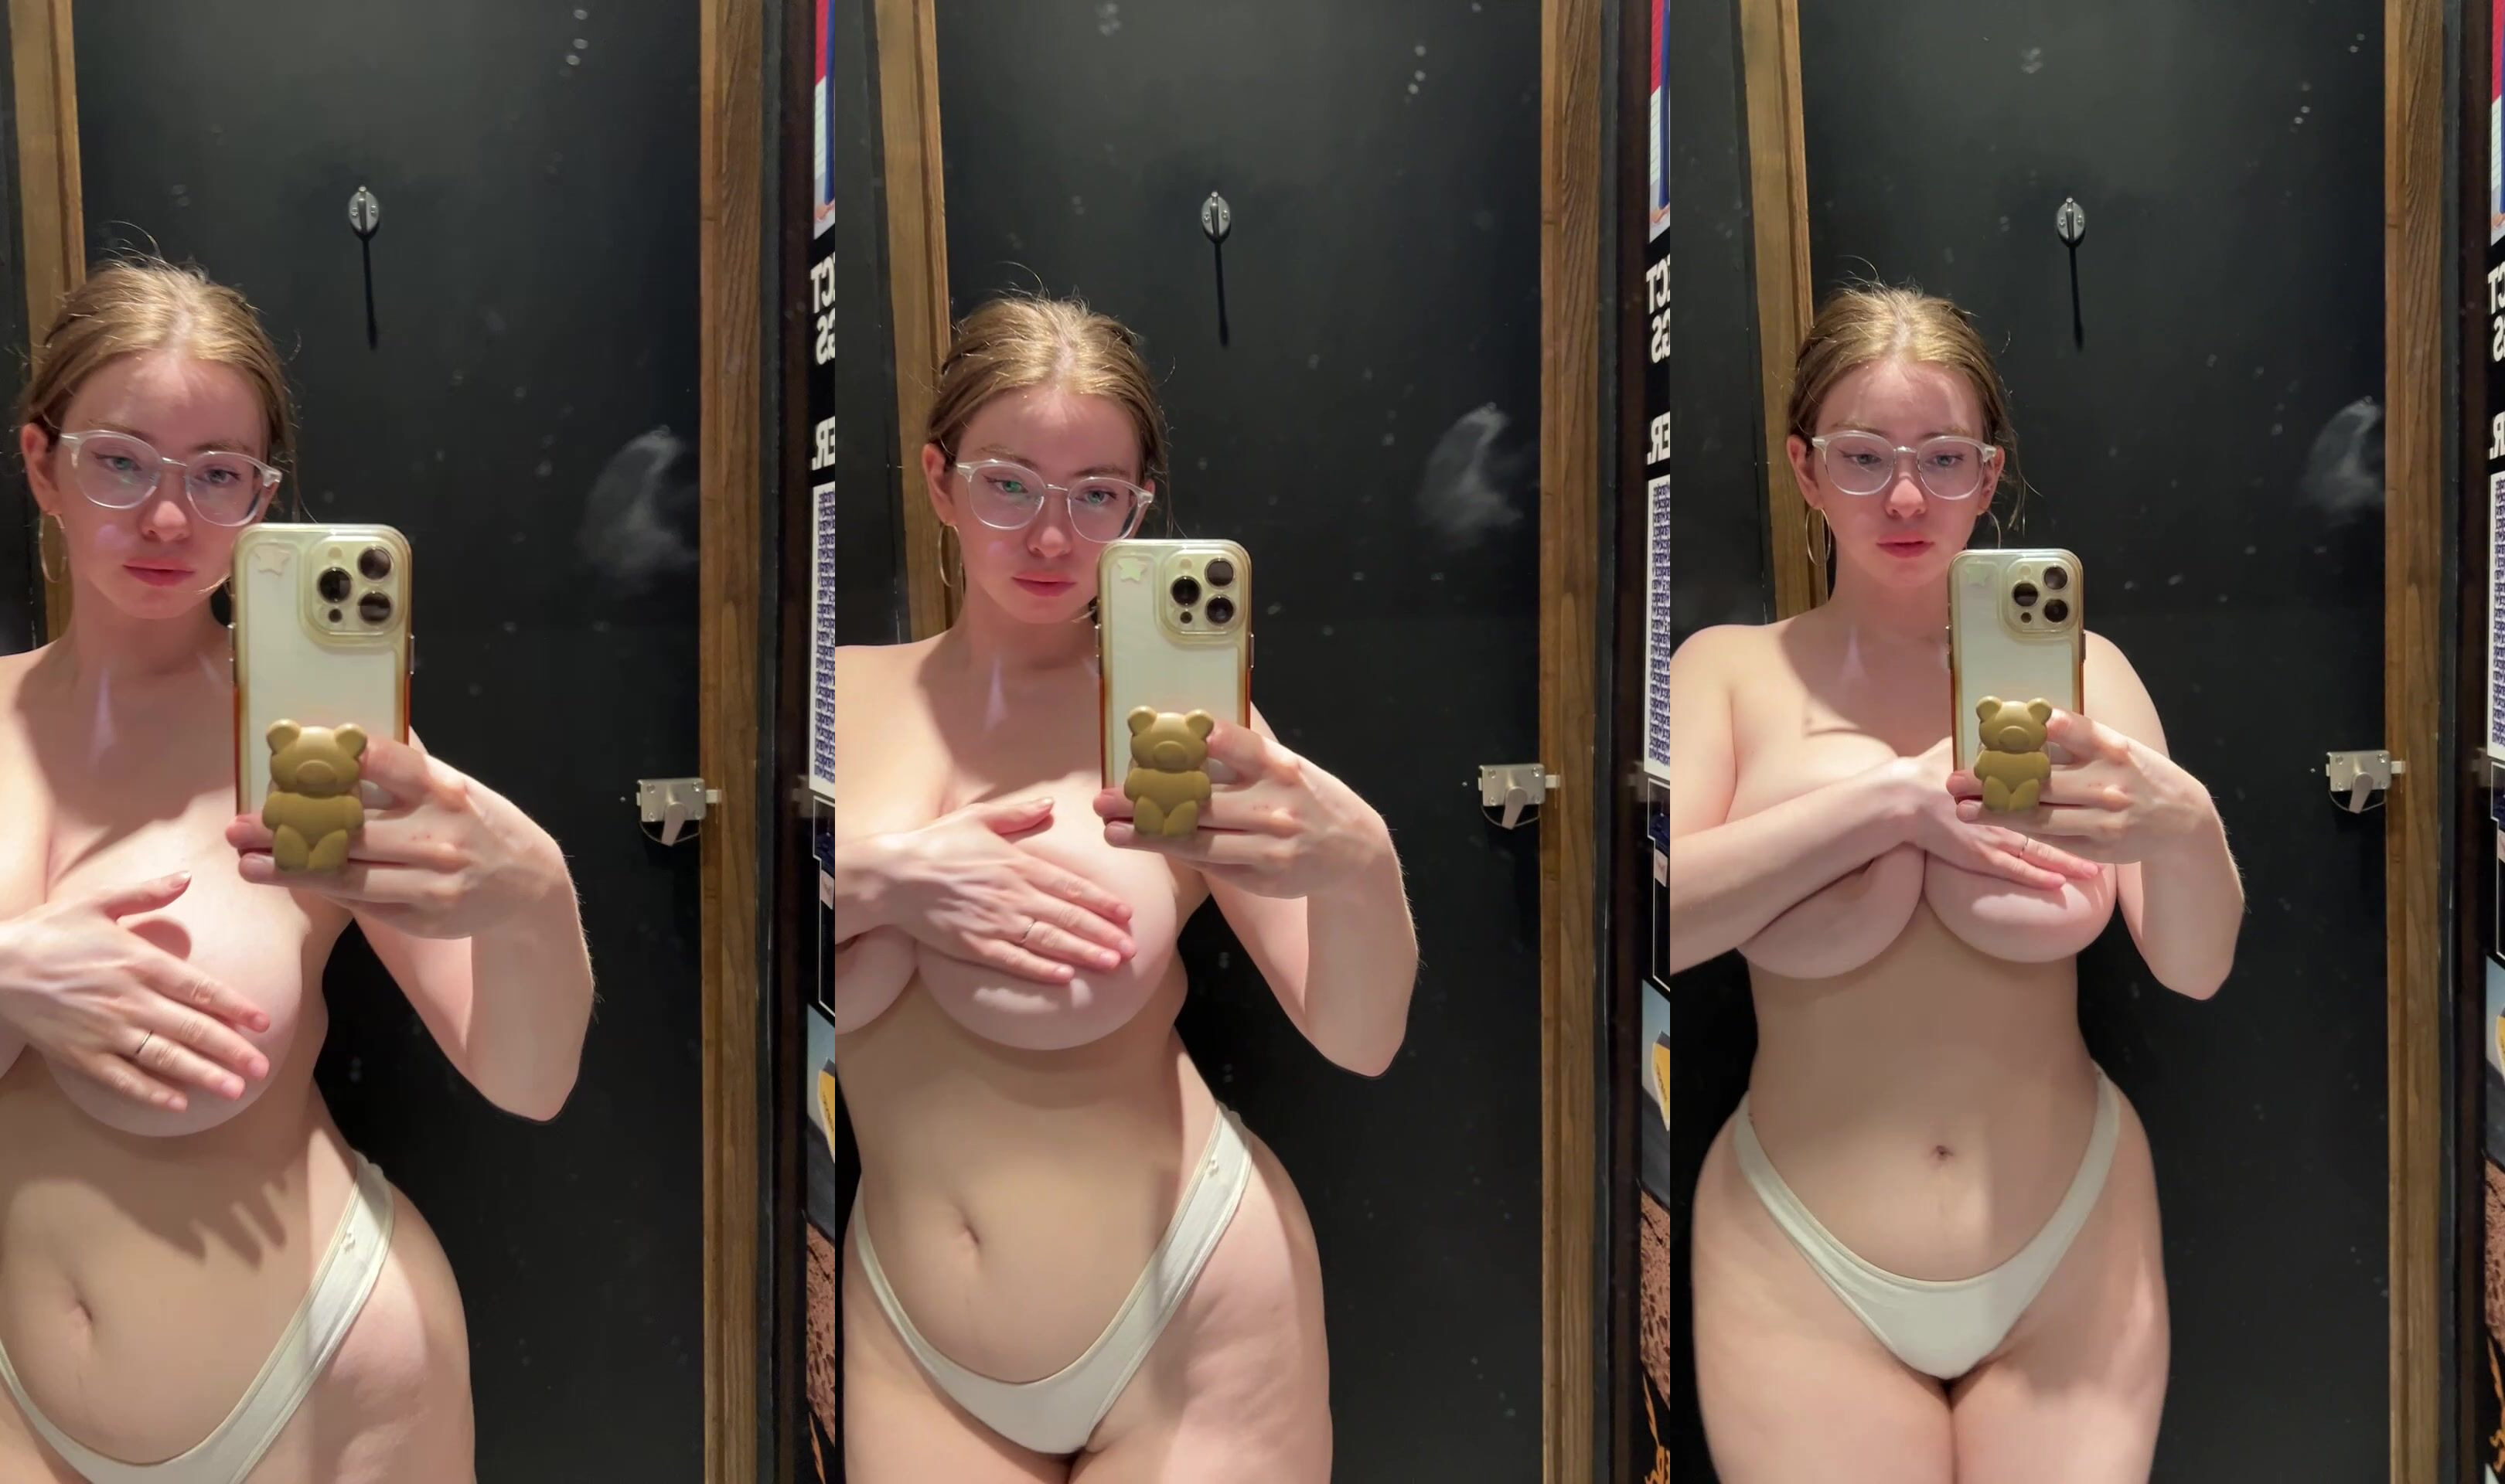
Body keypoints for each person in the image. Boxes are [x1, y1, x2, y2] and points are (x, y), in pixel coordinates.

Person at [0, 260, 595, 1482]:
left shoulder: (316, 752)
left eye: (218, 474)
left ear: (264, 500)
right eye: (122, 463)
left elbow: (527, 1081)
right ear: (42, 466)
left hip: (326, 1395)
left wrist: (538, 897)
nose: (170, 519)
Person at [830, 294, 1416, 1482]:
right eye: (1010, 485)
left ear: (1141, 510)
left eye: (1097, 496)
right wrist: (885, 882)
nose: (1053, 538)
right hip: (906, 1343)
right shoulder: (832, 702)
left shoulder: (1178, 730)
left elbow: (1359, 1041)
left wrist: (1364, 863)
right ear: (940, 482)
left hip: (1191, 1322)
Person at [1668, 285, 2242, 1482]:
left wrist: (2188, 829)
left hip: (2072, 1243)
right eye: (1864, 456)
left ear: (1989, 476)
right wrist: (1887, 803)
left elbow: (2195, 969)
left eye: (1942, 457)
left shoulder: (2084, 673)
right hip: (1797, 1259)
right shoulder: (1729, 673)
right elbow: (1655, 925)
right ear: (1805, 468)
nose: (1906, 497)